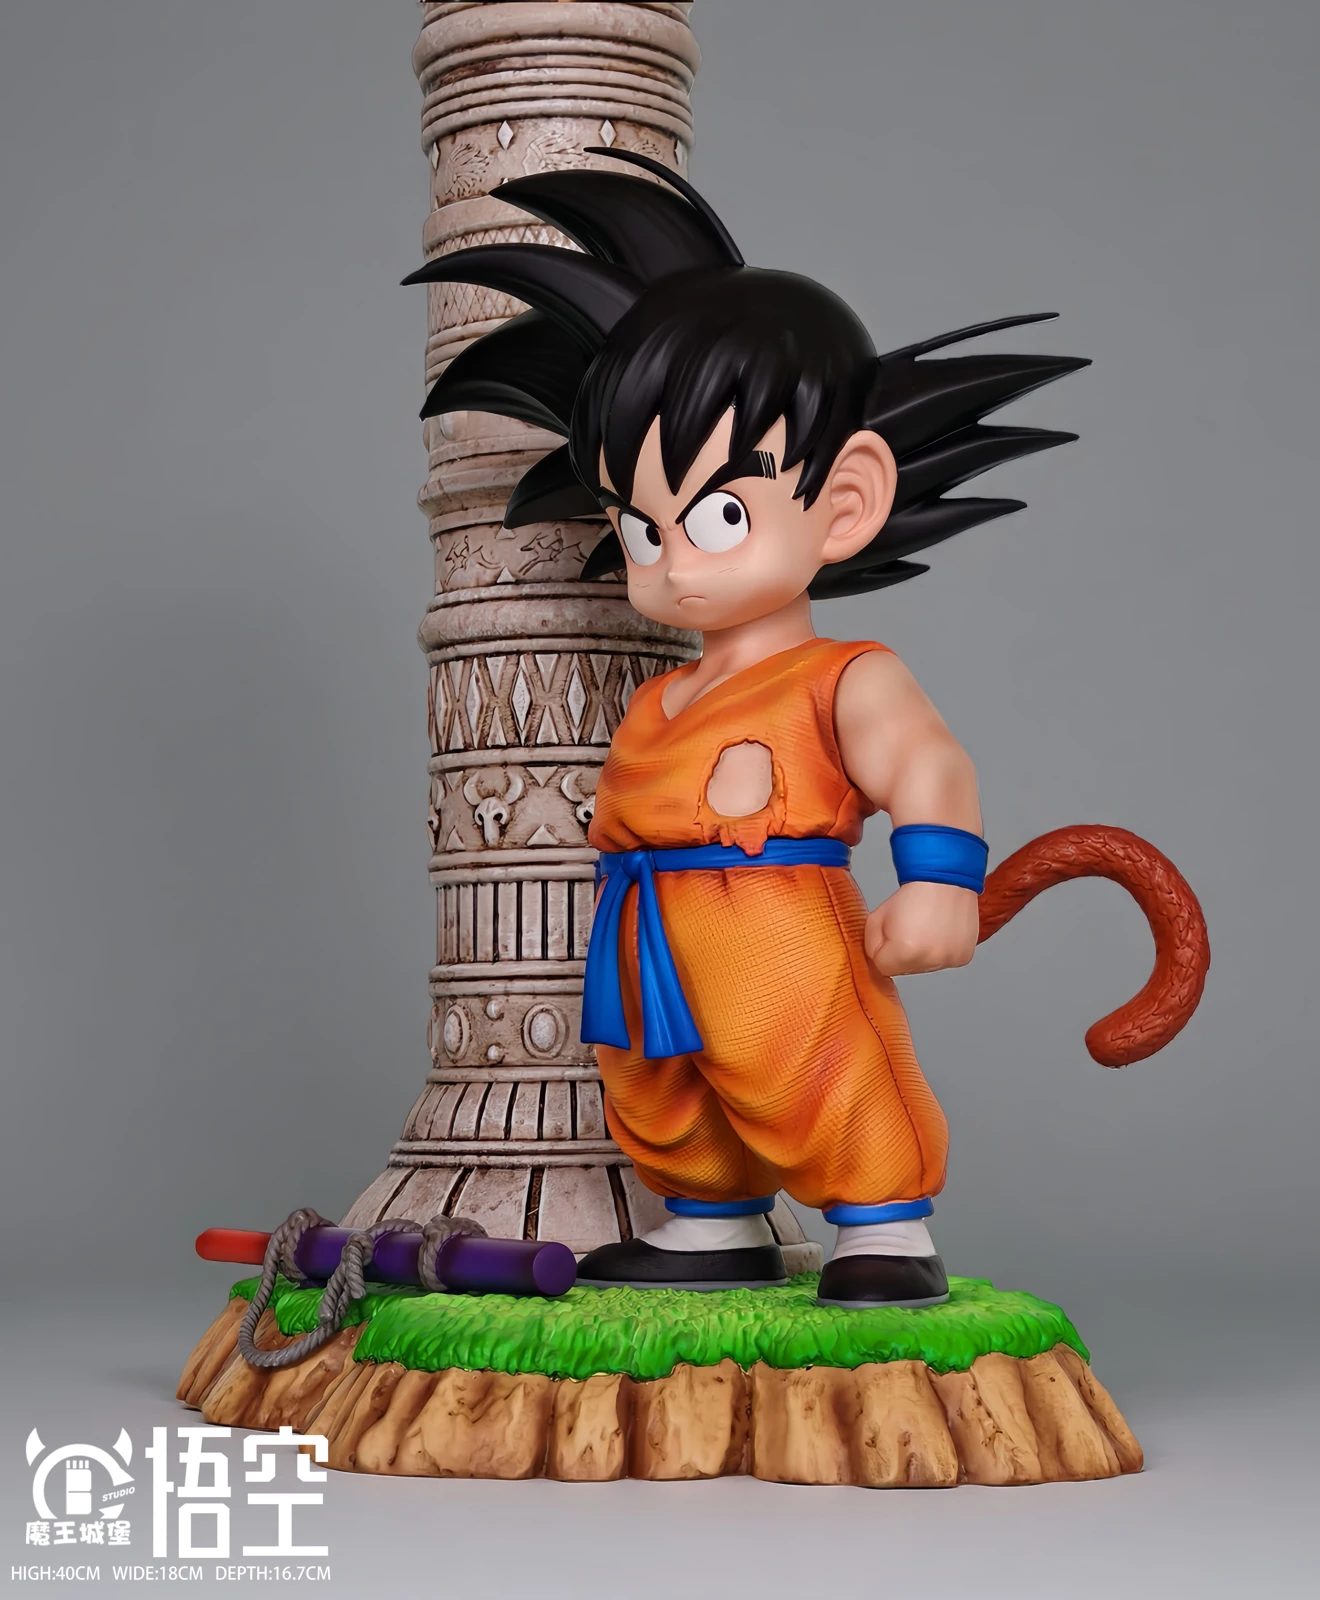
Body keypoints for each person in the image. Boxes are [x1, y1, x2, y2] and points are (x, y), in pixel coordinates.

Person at [404, 151, 1085, 1306]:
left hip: (781, 919)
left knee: (814, 1060)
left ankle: (884, 1219)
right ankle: (710, 1216)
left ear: (847, 501)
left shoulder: (843, 676)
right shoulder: (663, 696)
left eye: (718, 513)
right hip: (646, 929)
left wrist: (938, 880)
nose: (672, 561)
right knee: (660, 1079)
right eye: (641, 526)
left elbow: (928, 763)